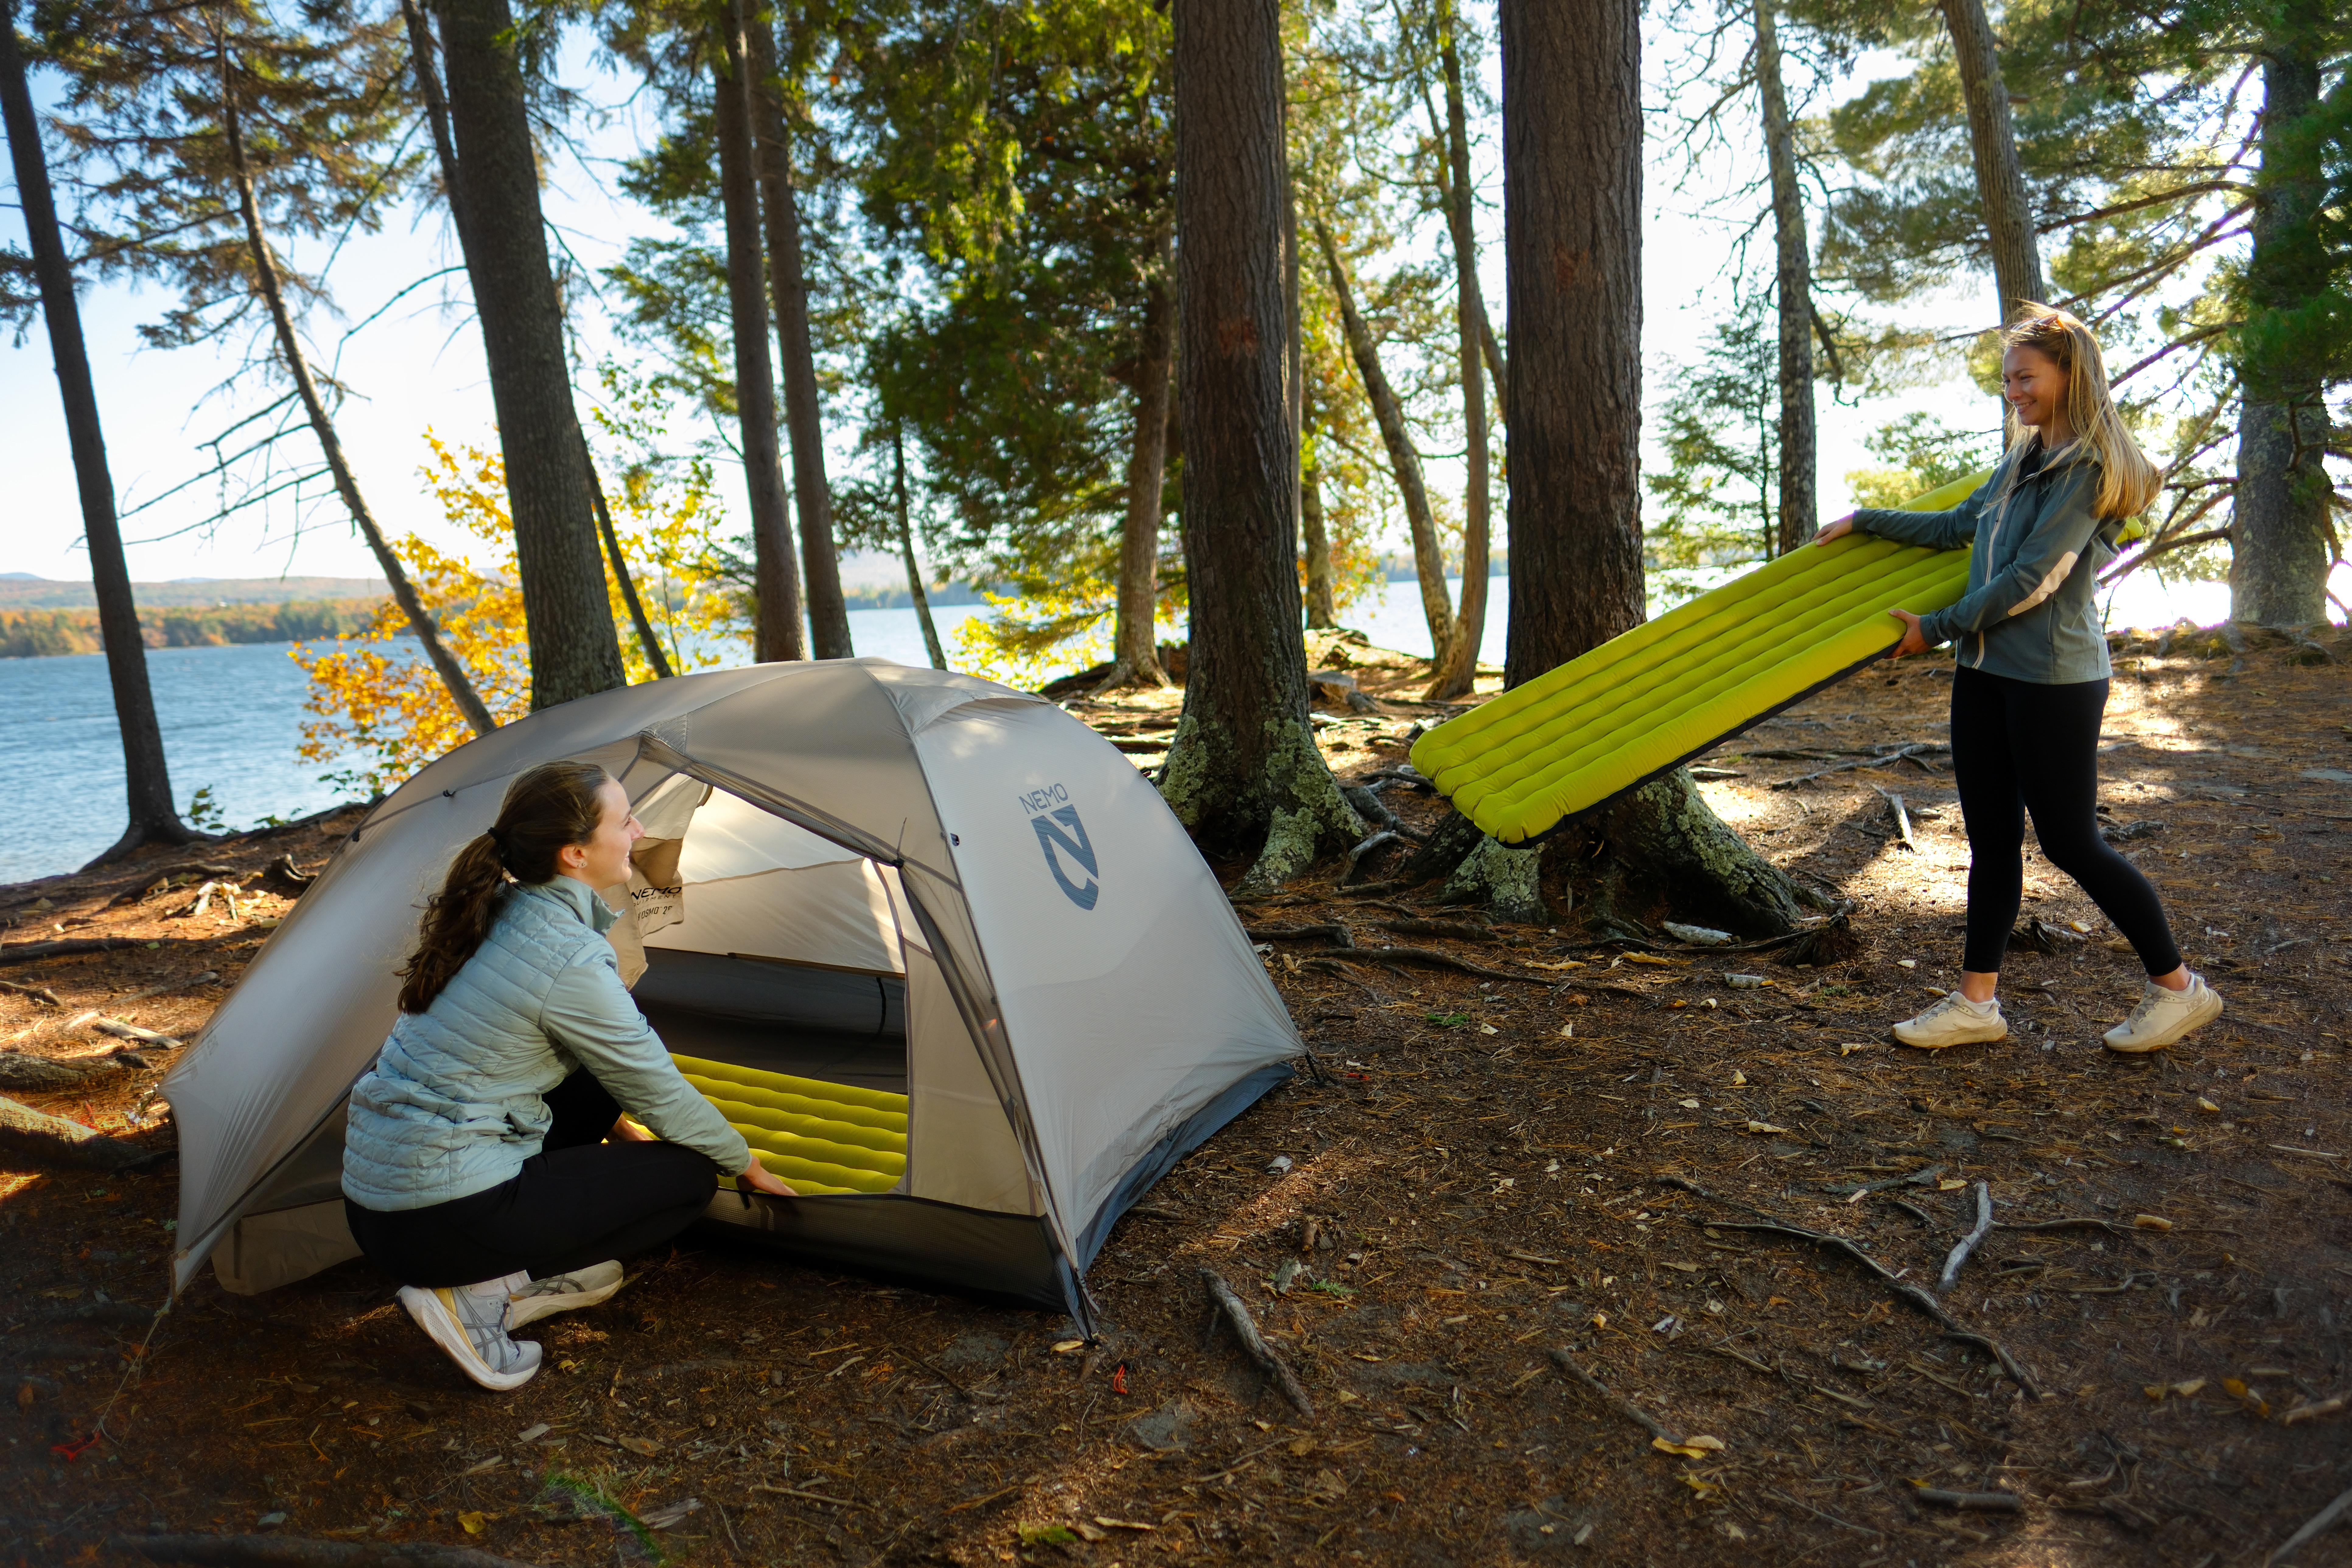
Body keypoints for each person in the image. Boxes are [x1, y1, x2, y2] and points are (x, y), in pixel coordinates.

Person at [1814, 303, 2223, 1055]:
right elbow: (1956, 526)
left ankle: (2177, 987)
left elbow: (2036, 578)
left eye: (2026, 377)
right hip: (1984, 673)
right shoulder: (2025, 457)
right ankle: (1978, 1004)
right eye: (2008, 379)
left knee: (2071, 842)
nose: (2014, 391)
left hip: (2052, 680)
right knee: (1993, 839)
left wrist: (1933, 628)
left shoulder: (2089, 471)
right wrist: (1866, 517)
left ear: (2070, 376)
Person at [341, 760, 795, 1390]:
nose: (639, 829)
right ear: (575, 853)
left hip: (380, 1204)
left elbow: (616, 1070)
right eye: (625, 818)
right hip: (437, 1219)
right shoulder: (568, 954)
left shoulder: (498, 906)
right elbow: (654, 1083)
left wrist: (624, 1140)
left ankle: (501, 1273)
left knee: (598, 1070)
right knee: (689, 1176)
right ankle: (476, 1298)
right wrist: (745, 1163)